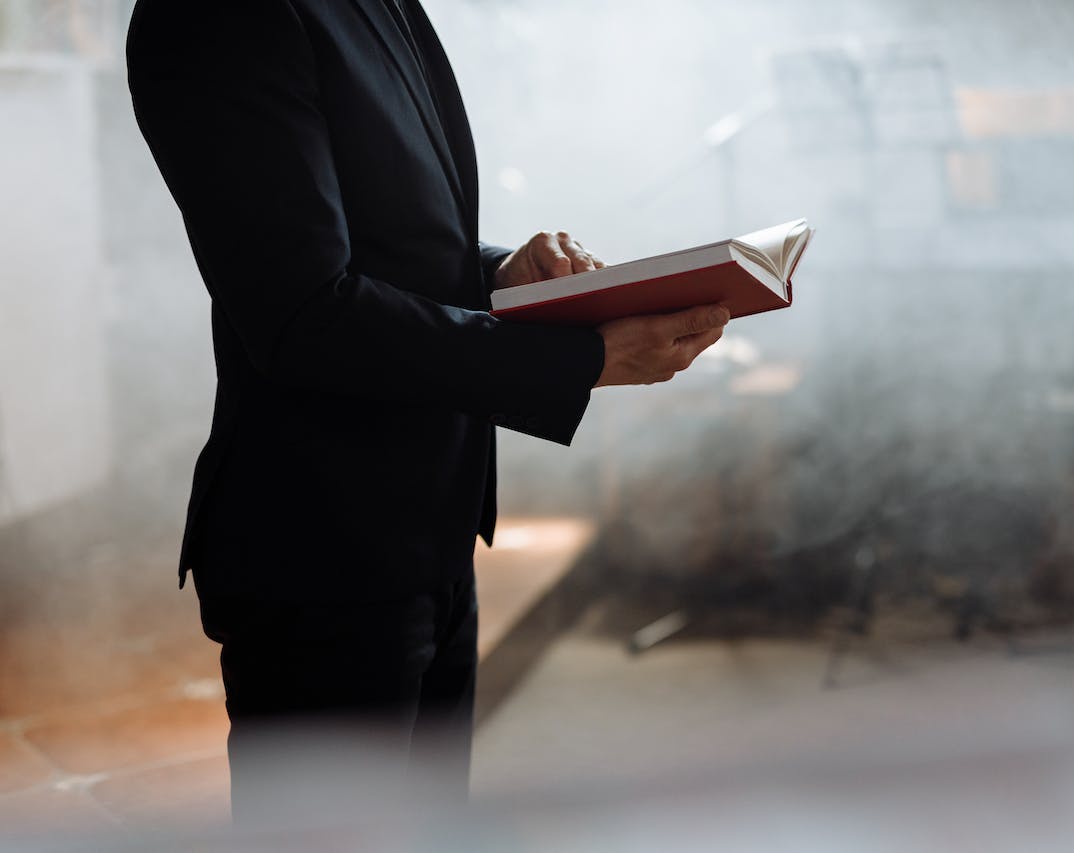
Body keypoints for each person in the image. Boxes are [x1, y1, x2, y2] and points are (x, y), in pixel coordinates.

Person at [125, 0, 729, 827]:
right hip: (321, 551)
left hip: (433, 529)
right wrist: (578, 359)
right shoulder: (221, 16)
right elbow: (303, 312)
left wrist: (502, 273)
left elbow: (395, 245)